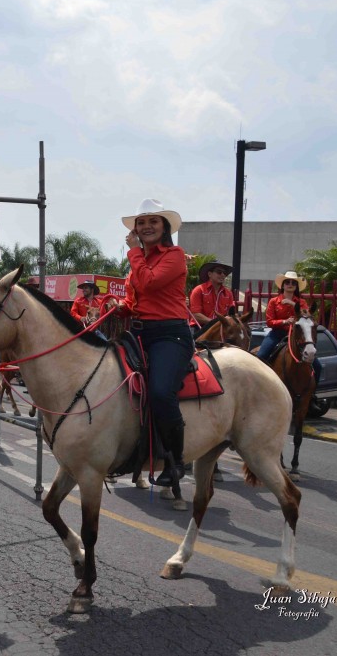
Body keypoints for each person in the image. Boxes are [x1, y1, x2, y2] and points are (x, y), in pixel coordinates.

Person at [115, 199, 193, 487]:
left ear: (164, 227)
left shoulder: (175, 255)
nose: (147, 226)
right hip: (138, 332)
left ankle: (176, 460)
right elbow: (137, 297)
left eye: (153, 221)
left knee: (160, 393)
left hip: (169, 335)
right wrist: (120, 306)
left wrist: (134, 251)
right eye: (142, 222)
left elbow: (148, 283)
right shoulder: (140, 260)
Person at [189, 260, 236, 332]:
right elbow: (196, 315)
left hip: (219, 329)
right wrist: (215, 322)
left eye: (225, 273)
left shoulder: (228, 293)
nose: (223, 275)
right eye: (219, 272)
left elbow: (231, 315)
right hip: (199, 327)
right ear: (210, 274)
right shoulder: (199, 290)